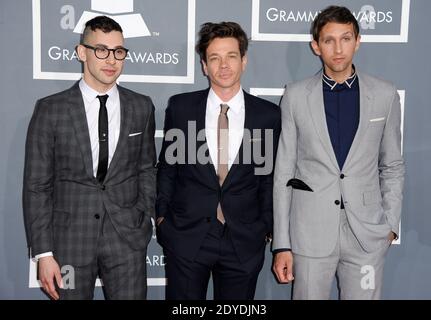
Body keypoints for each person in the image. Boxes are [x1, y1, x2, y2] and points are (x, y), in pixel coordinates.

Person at [272, 6, 405, 299]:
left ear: (357, 41)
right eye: (329, 40)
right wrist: (282, 242)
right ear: (316, 46)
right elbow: (284, 171)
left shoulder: (384, 94)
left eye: (345, 38)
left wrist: (390, 225)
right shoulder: (295, 95)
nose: (338, 48)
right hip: (310, 233)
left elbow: (392, 164)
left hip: (367, 235)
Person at [23, 16, 157, 300]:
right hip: (69, 242)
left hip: (127, 239)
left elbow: (147, 167)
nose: (111, 59)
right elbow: (37, 186)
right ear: (81, 52)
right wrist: (44, 253)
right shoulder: (51, 110)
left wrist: (142, 214)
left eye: (118, 51)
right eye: (101, 50)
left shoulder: (141, 106)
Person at [156, 21, 281, 300]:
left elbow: (269, 177)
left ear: (244, 61)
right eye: (215, 58)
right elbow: (168, 168)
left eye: (231, 56)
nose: (223, 65)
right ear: (204, 65)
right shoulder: (181, 108)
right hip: (186, 237)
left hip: (243, 239)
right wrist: (163, 218)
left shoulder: (268, 115)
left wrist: (265, 226)